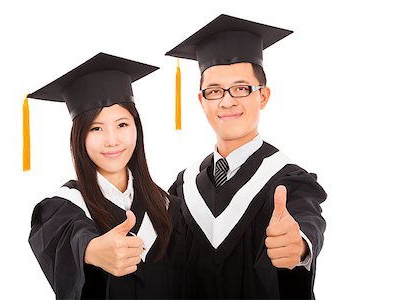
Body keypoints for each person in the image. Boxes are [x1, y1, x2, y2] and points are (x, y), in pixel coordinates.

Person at [166, 14, 326, 299]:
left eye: (241, 89)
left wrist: (299, 245)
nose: (227, 101)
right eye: (214, 91)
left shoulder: (287, 179)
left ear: (263, 96)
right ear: (202, 101)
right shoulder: (183, 186)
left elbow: (307, 221)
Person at [27, 52, 186, 299]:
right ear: (80, 137)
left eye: (122, 125)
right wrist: (90, 249)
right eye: (96, 128)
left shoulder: (168, 206)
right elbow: (68, 236)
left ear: (136, 128)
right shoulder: (65, 208)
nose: (112, 141)